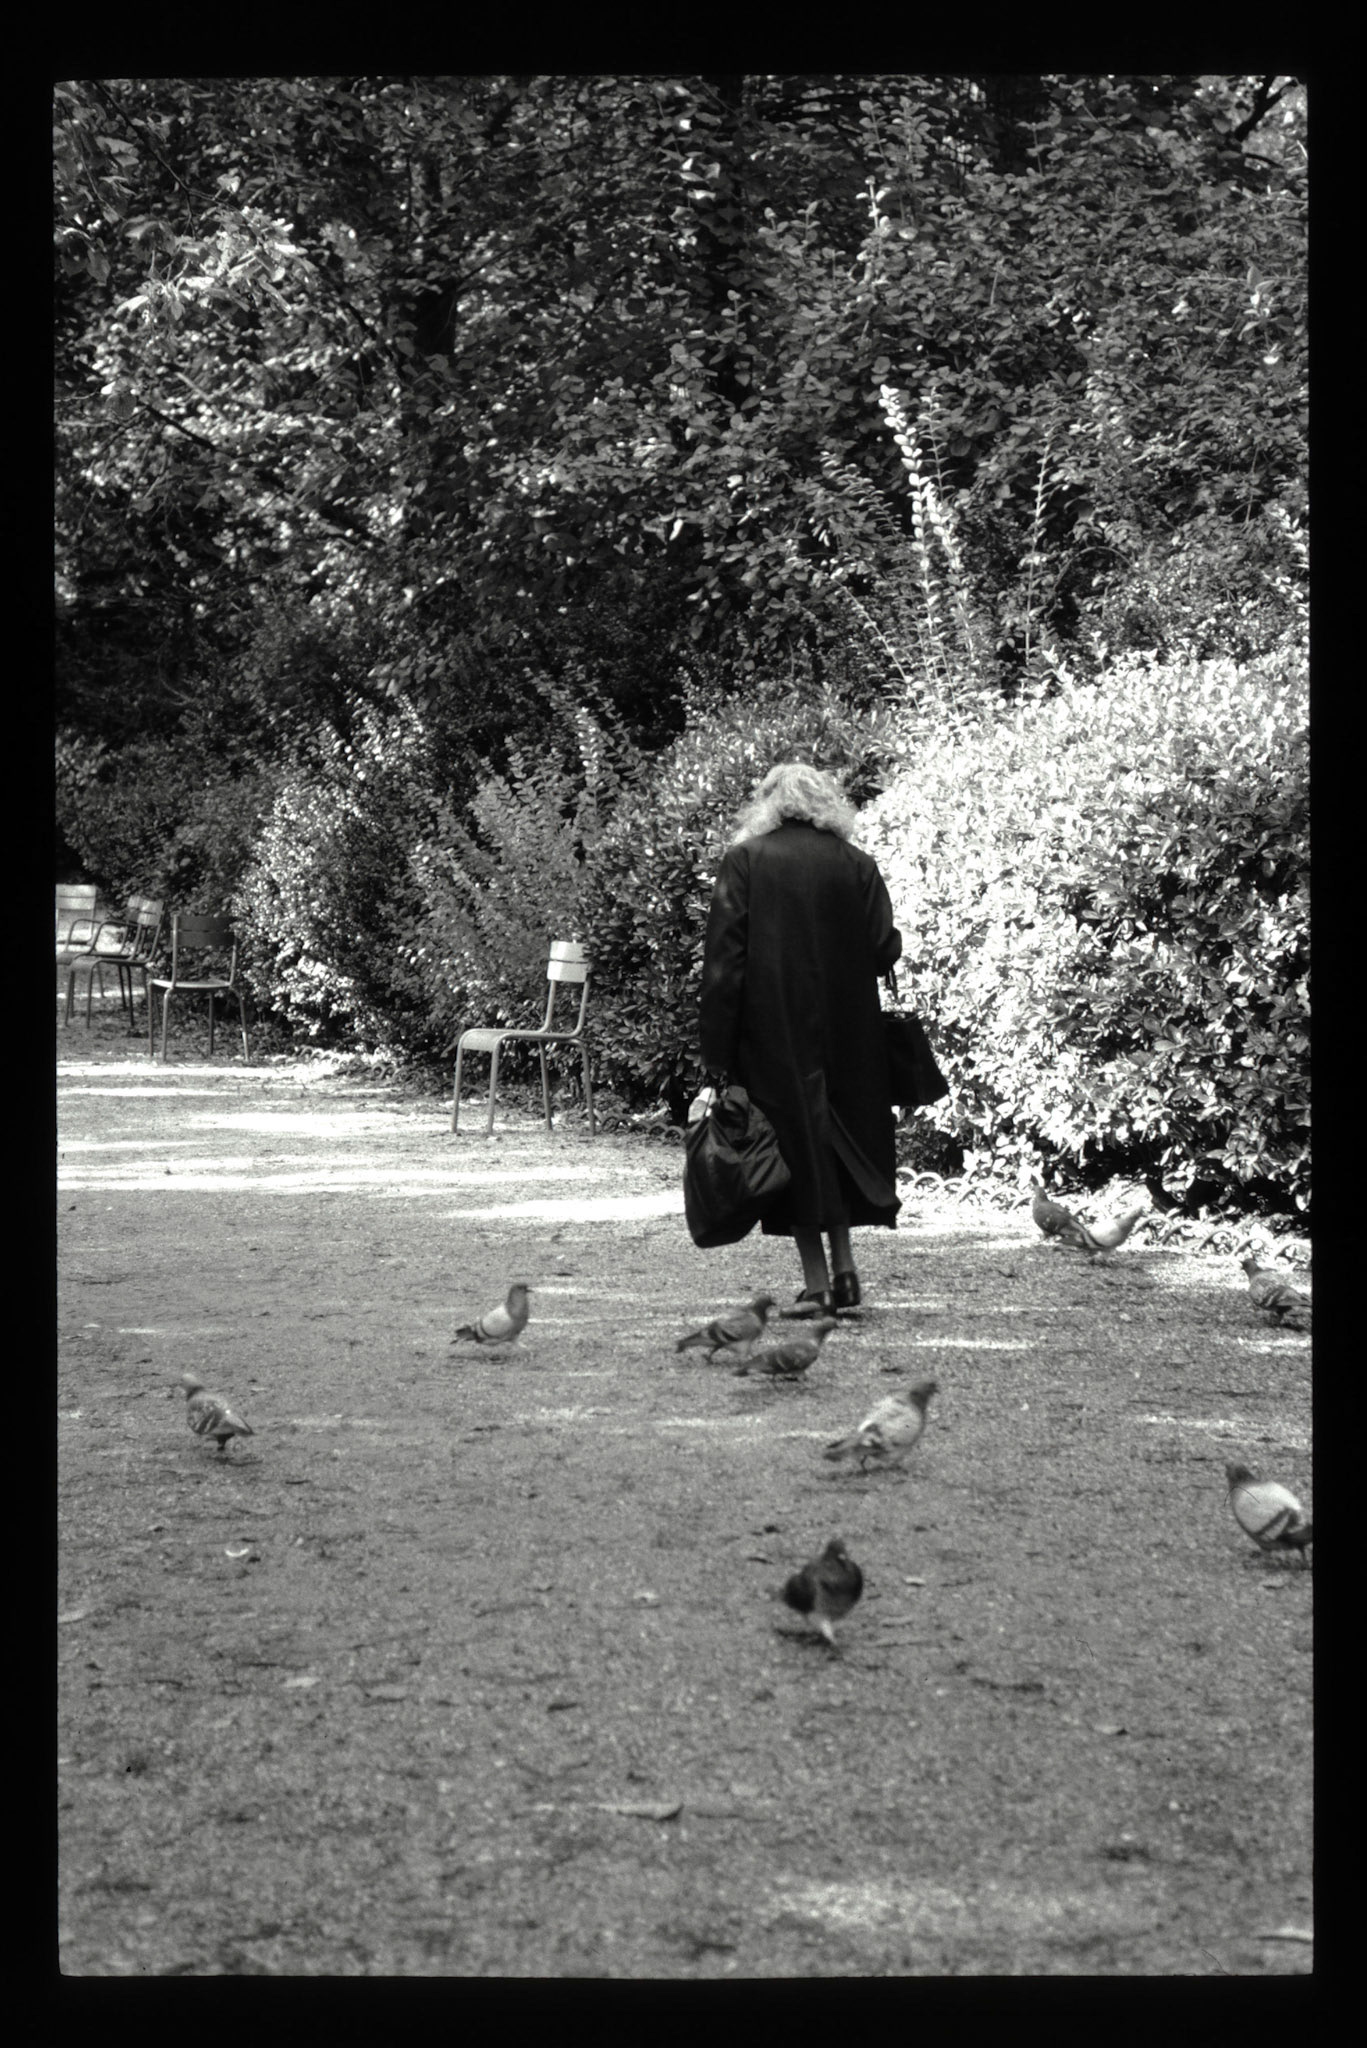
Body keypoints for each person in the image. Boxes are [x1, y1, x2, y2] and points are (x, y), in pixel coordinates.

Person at [697, 759, 903, 1312]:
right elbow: (886, 948)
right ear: (825, 803)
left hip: (772, 1031)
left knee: (794, 1151)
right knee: (839, 1148)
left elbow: (724, 965)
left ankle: (818, 1285)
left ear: (768, 803)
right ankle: (848, 1272)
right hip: (850, 1033)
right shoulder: (857, 864)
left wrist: (717, 1056)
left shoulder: (744, 862)